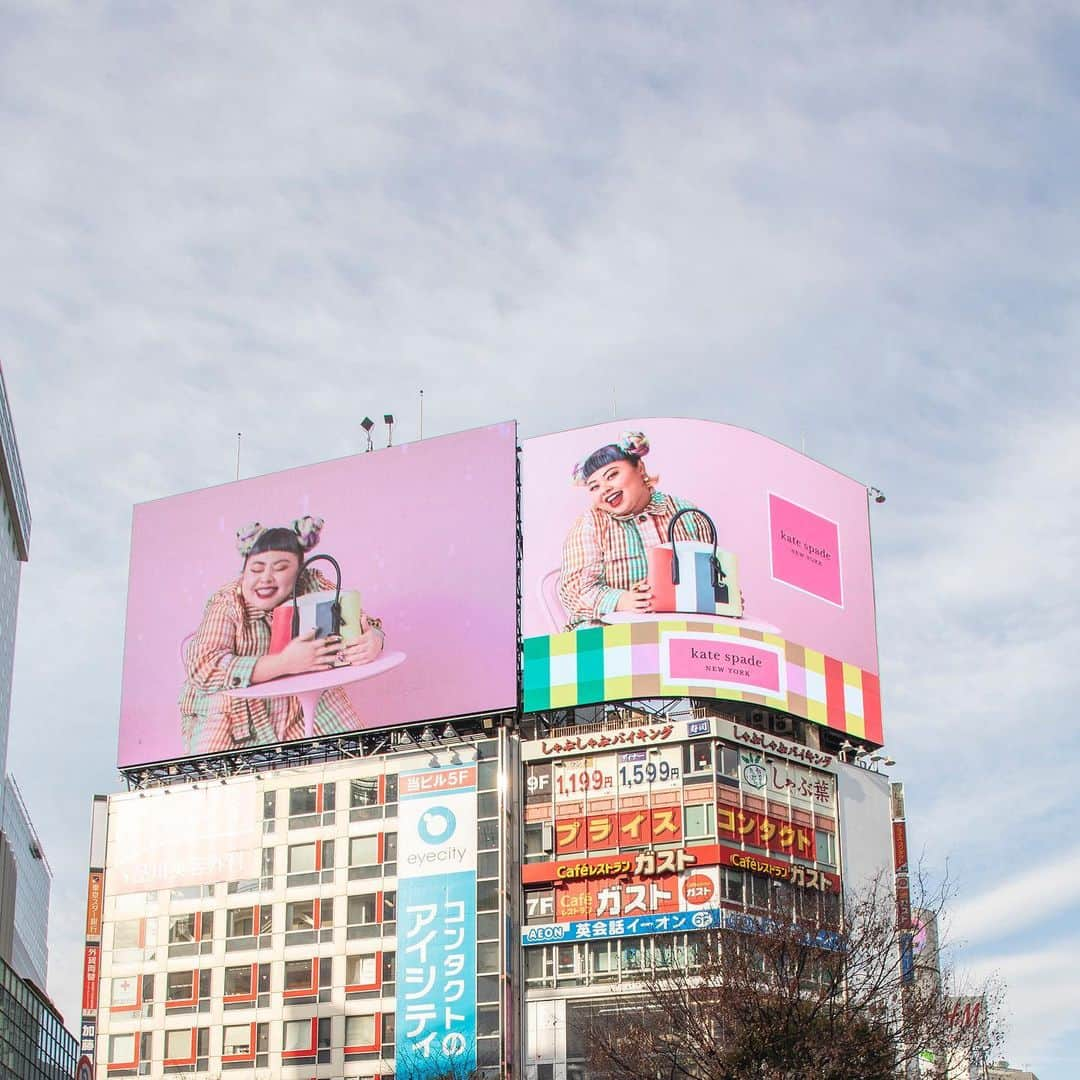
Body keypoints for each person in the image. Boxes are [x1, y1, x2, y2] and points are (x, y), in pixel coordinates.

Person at [178, 515, 384, 754]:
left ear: (299, 572)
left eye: (280, 568)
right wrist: (285, 662)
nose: (265, 578)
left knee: (361, 756)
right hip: (233, 713)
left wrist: (373, 640)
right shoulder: (227, 603)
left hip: (306, 701)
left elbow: (363, 620)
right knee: (210, 779)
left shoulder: (311, 585)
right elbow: (204, 665)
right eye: (256, 569)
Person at [559, 431, 703, 629]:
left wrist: (722, 596)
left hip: (675, 624)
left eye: (612, 475)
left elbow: (711, 571)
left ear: (640, 468)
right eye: (594, 487)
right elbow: (575, 591)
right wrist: (622, 600)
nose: (605, 488)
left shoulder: (685, 513)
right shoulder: (590, 525)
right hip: (609, 627)